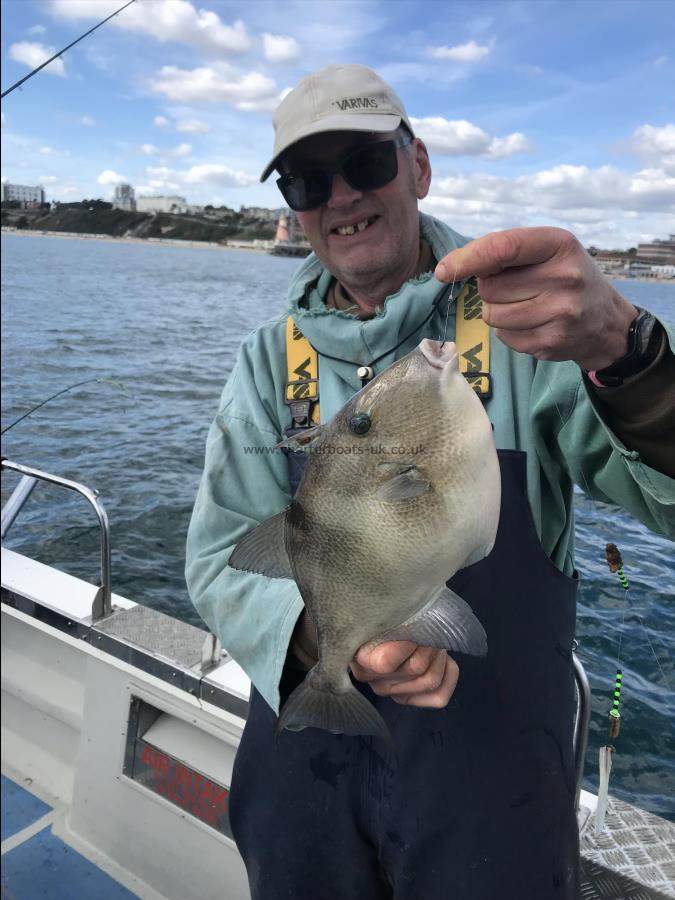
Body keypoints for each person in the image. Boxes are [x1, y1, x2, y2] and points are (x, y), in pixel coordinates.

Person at [186, 64, 674, 899]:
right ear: (294, 208)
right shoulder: (269, 361)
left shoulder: (529, 330)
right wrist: (328, 645)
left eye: (365, 164)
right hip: (305, 756)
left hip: (490, 779)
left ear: (417, 166)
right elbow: (223, 553)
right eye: (309, 179)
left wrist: (625, 355)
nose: (340, 197)